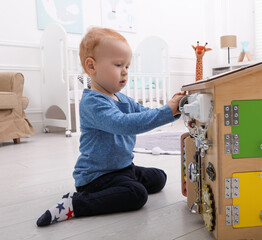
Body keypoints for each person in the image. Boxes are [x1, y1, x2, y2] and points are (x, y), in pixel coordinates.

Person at [37, 27, 185, 226]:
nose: (125, 72)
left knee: (159, 178)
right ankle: (76, 204)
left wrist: (172, 110)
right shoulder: (93, 102)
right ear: (92, 66)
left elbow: (142, 113)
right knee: (137, 195)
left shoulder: (121, 97)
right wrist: (166, 112)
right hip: (97, 177)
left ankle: (124, 182)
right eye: (118, 65)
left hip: (122, 167)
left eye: (127, 66)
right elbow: (123, 124)